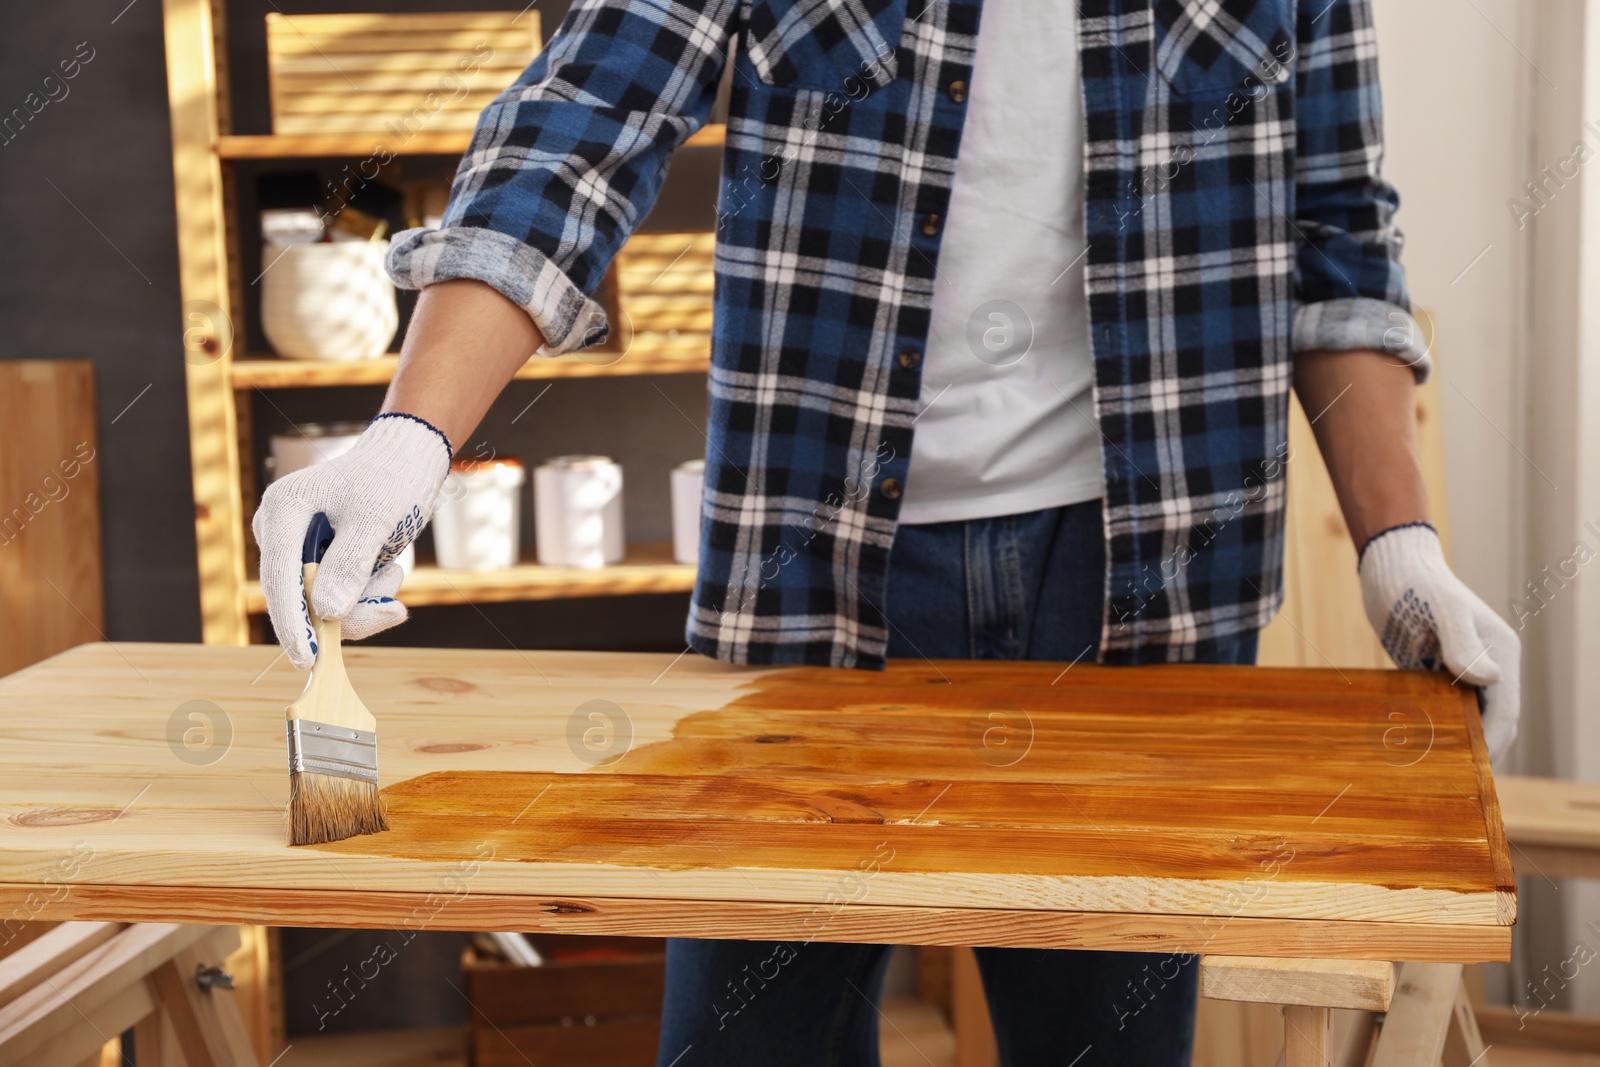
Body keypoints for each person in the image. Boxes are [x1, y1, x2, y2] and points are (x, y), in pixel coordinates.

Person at [252, 0, 1521, 1062]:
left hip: (1142, 588)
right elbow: (583, 121)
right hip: (815, 560)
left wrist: (1393, 543)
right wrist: (412, 436)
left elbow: (1336, 237)